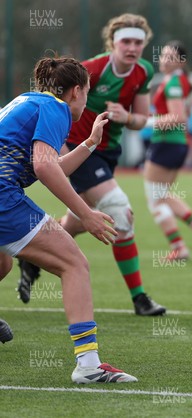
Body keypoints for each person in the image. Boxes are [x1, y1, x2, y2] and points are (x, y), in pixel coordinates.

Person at [17, 14, 166, 316]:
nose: (132, 47)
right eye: (126, 41)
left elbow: (141, 120)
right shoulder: (93, 70)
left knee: (75, 221)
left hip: (107, 151)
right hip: (80, 149)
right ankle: (139, 297)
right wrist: (62, 155)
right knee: (119, 210)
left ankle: (32, 255)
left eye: (139, 42)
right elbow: (55, 105)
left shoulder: (143, 72)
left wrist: (127, 118)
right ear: (113, 42)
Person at [0, 56, 136, 383]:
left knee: (2, 264)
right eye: (88, 92)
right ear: (76, 91)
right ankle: (88, 364)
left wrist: (89, 144)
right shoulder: (56, 108)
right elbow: (45, 167)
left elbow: (50, 164)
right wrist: (86, 214)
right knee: (74, 264)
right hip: (3, 196)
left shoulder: (27, 101)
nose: (86, 100)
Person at [143, 41, 192, 260]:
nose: (163, 60)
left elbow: (178, 117)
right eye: (163, 56)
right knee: (162, 194)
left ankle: (179, 247)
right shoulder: (181, 81)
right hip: (178, 143)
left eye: (170, 57)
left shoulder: (173, 82)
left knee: (155, 200)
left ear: (181, 62)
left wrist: (147, 122)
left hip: (166, 143)